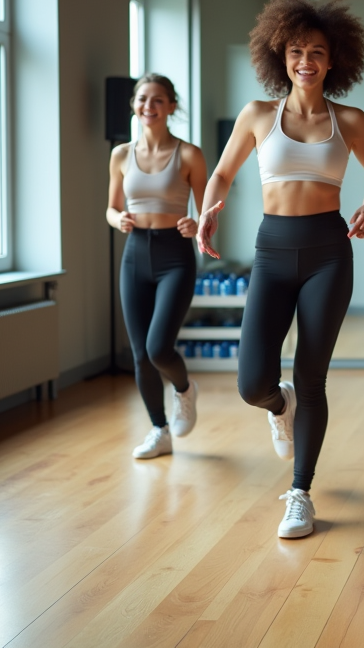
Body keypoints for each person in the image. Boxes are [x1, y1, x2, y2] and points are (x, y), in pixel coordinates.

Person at [197, 0, 364, 539]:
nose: (304, 60)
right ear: (279, 55)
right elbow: (221, 174)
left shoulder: (351, 120)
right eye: (294, 50)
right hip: (273, 250)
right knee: (250, 382)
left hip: (328, 252)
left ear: (334, 59)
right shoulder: (258, 115)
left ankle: (301, 493)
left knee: (313, 375)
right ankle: (276, 403)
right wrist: (207, 211)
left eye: (315, 51)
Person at [106, 74, 207, 459]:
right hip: (135, 254)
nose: (149, 106)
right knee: (138, 353)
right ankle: (159, 430)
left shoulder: (189, 154)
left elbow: (207, 209)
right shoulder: (120, 155)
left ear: (171, 106)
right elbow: (111, 207)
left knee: (159, 348)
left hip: (175, 256)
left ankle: (184, 390)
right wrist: (118, 220)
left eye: (158, 100)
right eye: (142, 99)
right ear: (135, 104)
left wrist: (196, 224)